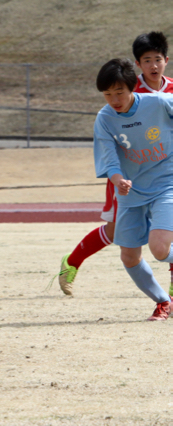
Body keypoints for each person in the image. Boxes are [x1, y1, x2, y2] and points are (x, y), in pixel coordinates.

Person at [56, 31, 173, 296]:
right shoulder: (124, 93)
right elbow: (108, 144)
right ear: (138, 65)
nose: (153, 65)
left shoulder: (166, 95)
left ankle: (168, 299)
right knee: (116, 233)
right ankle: (72, 262)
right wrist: (117, 176)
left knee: (162, 239)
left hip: (165, 177)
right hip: (127, 178)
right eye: (147, 60)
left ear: (166, 60)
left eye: (158, 59)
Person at [93, 58, 173, 321]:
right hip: (130, 191)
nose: (114, 100)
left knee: (160, 249)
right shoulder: (105, 119)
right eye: (107, 94)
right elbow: (109, 158)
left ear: (132, 88)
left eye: (119, 93)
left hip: (167, 183)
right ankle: (164, 302)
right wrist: (118, 179)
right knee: (128, 255)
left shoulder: (159, 102)